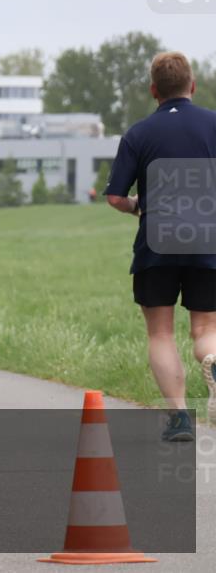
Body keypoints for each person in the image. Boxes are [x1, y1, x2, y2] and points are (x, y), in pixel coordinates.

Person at [104, 52, 216, 440]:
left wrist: (141, 207)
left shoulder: (138, 134)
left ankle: (181, 418)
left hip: (158, 241)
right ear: (193, 85)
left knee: (161, 334)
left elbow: (116, 197)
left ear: (154, 90)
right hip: (208, 238)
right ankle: (212, 359)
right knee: (205, 327)